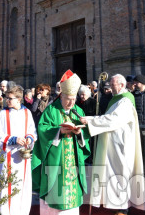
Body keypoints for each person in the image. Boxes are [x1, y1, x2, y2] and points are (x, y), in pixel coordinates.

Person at [80, 74, 145, 215]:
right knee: (112, 175)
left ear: (121, 85)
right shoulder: (116, 99)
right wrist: (93, 119)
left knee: (120, 174)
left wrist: (91, 120)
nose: (110, 86)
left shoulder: (126, 101)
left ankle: (123, 208)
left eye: (113, 84)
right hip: (113, 144)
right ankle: (116, 204)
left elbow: (113, 120)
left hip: (121, 145)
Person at [31, 70, 90, 214]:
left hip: (73, 161)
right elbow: (43, 130)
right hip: (56, 159)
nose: (71, 102)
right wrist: (59, 131)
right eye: (68, 99)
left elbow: (86, 137)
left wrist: (79, 133)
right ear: (61, 96)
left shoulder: (78, 111)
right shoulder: (51, 110)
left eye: (73, 99)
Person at [0, 85, 37, 215]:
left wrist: (29, 139)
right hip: (7, 156)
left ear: (19, 99)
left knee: (22, 185)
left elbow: (32, 131)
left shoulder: (27, 113)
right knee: (6, 186)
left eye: (10, 98)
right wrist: (13, 140)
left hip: (22, 157)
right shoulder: (3, 114)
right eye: (7, 97)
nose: (7, 100)